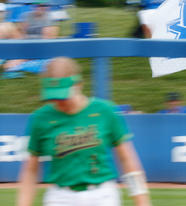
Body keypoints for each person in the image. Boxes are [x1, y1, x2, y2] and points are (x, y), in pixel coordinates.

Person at [16, 57, 151, 206]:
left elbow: (127, 159)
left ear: (79, 84)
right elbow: (30, 170)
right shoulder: (40, 118)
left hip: (102, 195)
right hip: (60, 197)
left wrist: (141, 201)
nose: (58, 101)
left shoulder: (105, 111)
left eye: (63, 94)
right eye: (52, 96)